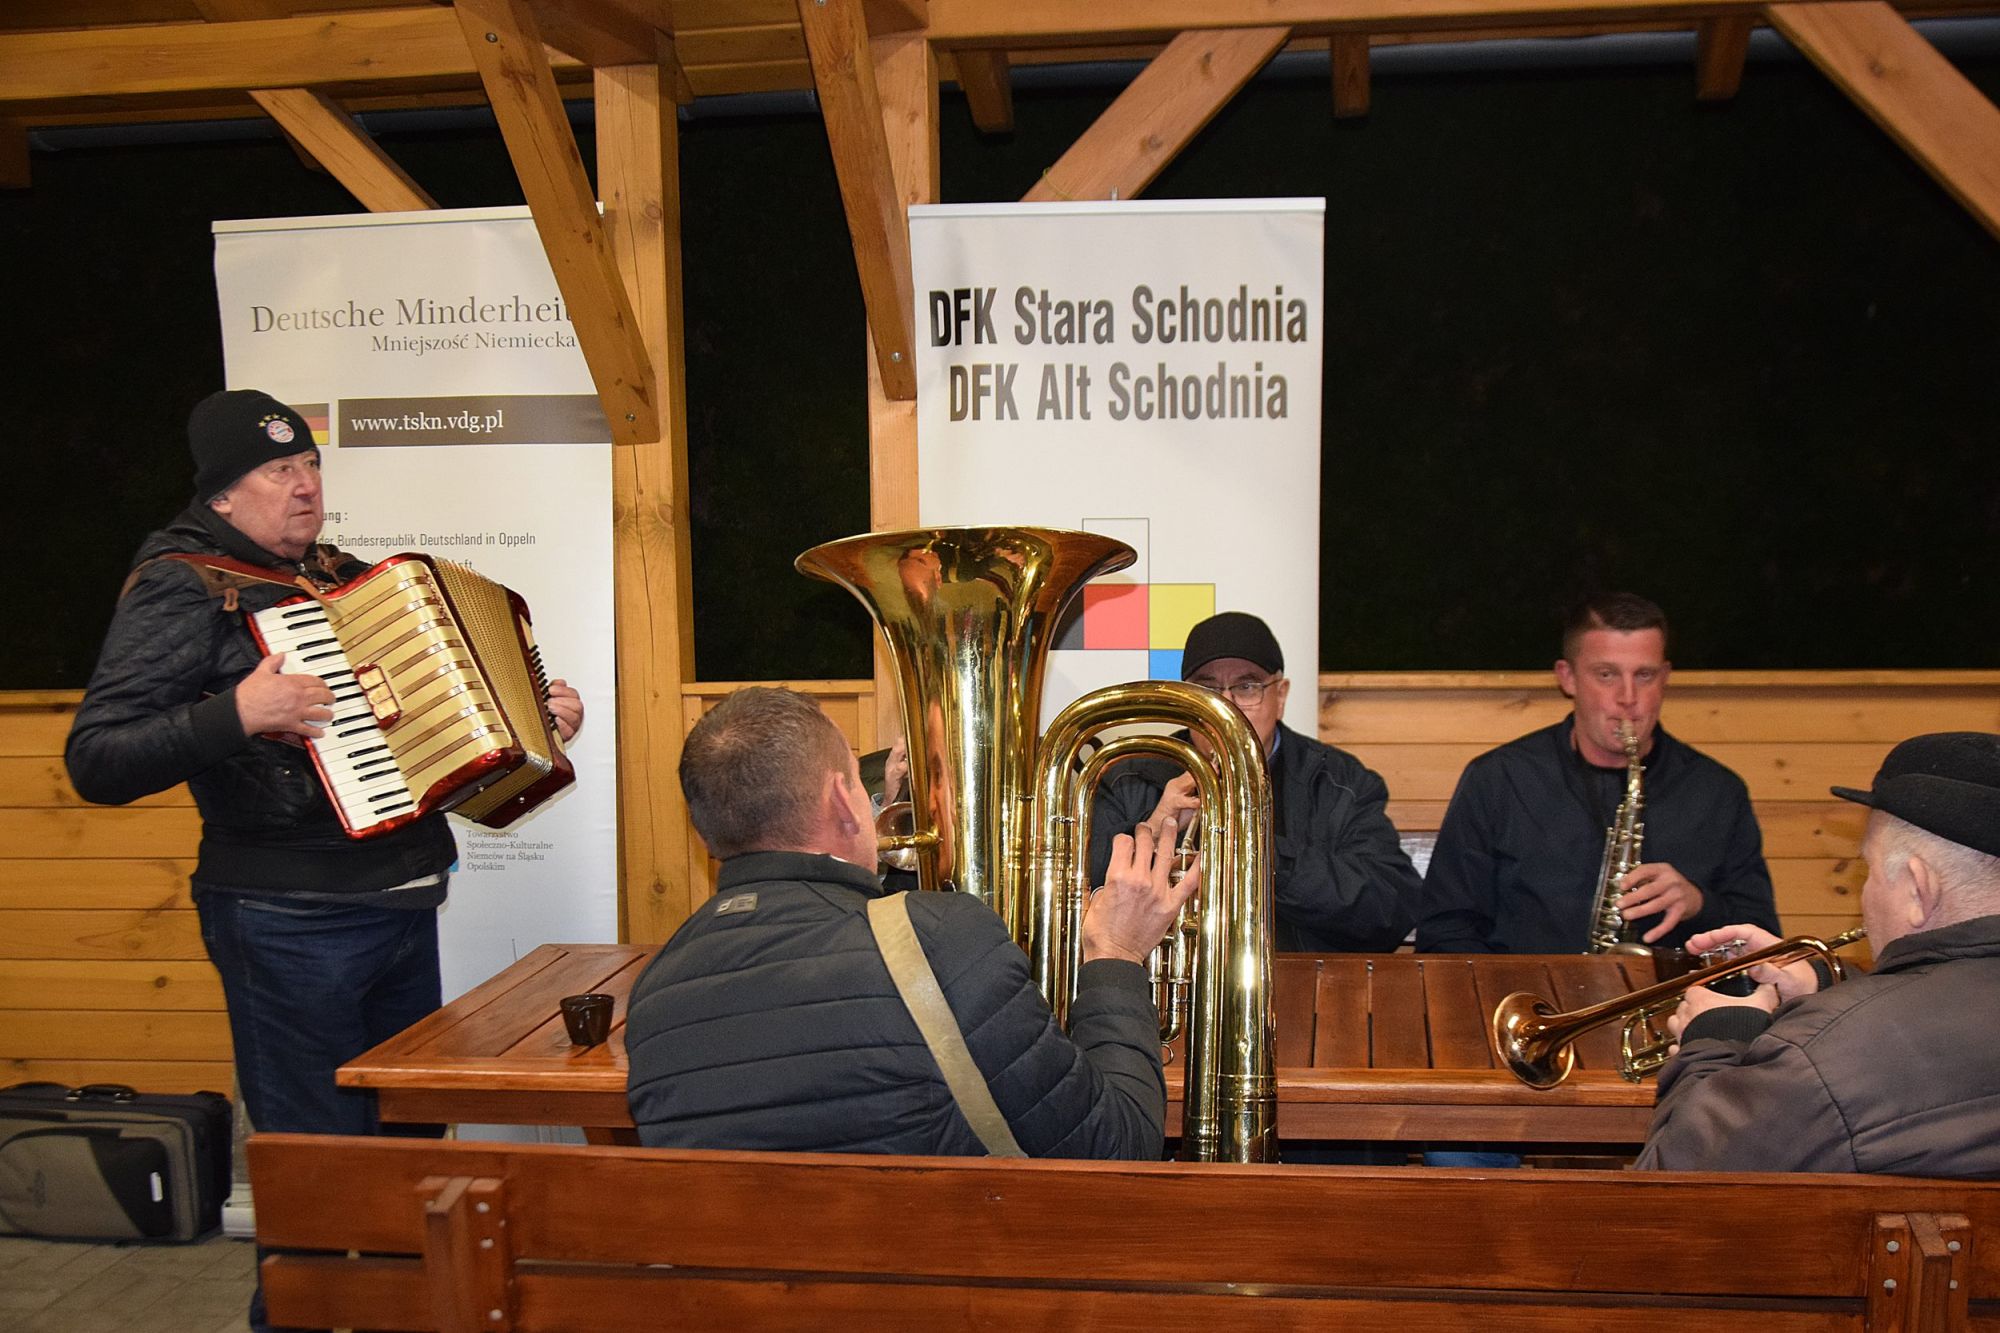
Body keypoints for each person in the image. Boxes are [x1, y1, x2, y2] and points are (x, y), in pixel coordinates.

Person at [65, 389, 583, 1329]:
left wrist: (529, 720)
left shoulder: (337, 577)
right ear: (222, 493)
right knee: (316, 1174)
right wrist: (237, 713)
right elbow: (96, 758)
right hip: (287, 920)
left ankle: (387, 1314)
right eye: (279, 471)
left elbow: (428, 732)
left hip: (400, 903)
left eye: (311, 466)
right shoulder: (183, 585)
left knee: (404, 1158)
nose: (306, 486)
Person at [625, 685, 1195, 1158]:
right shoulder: (944, 938)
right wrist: (1117, 955)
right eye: (858, 779)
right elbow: (1116, 1149)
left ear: (706, 832)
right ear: (842, 800)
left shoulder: (654, 995)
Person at [1638, 731, 2000, 1175]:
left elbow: (1674, 1181)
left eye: (1869, 870)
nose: (1865, 894)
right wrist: (1826, 982)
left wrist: (1715, 1040)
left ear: (1918, 890)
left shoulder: (1822, 1057)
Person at [1417, 593, 1780, 955]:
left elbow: (1764, 940)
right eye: (1606, 675)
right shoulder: (1500, 778)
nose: (1628, 697)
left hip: (1677, 991)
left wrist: (1699, 904)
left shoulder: (1717, 790)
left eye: (1644, 675)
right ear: (1568, 678)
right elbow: (1445, 930)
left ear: (1665, 678)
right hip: (1530, 988)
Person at [1085, 611, 1421, 953]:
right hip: (1152, 987)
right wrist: (1155, 832)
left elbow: (1389, 909)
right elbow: (1077, 899)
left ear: (1281, 696)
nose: (1225, 706)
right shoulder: (1129, 775)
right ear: (1186, 701)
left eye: (1247, 687)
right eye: (1207, 688)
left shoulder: (1338, 781)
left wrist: (1261, 855)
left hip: (1297, 982)